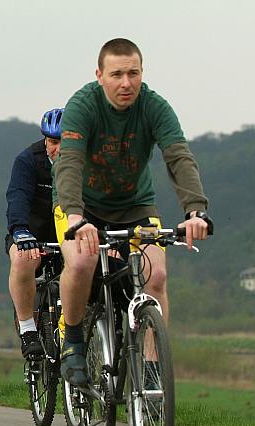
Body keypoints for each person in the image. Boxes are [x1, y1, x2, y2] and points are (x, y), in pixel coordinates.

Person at [53, 38, 213, 387]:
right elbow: (70, 164)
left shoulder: (154, 107)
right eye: (117, 74)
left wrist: (195, 210)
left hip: (136, 204)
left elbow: (178, 157)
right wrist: (77, 217)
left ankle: (153, 371)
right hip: (80, 204)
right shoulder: (83, 105)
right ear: (100, 75)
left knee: (156, 277)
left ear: (142, 73)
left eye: (133, 73)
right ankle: (74, 340)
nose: (126, 83)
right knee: (81, 263)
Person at [5, 109, 63, 359]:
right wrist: (20, 231)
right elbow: (17, 196)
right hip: (31, 230)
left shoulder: (83, 162)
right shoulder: (28, 160)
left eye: (62, 142)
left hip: (67, 232)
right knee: (22, 259)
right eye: (51, 142)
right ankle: (28, 329)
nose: (56, 148)